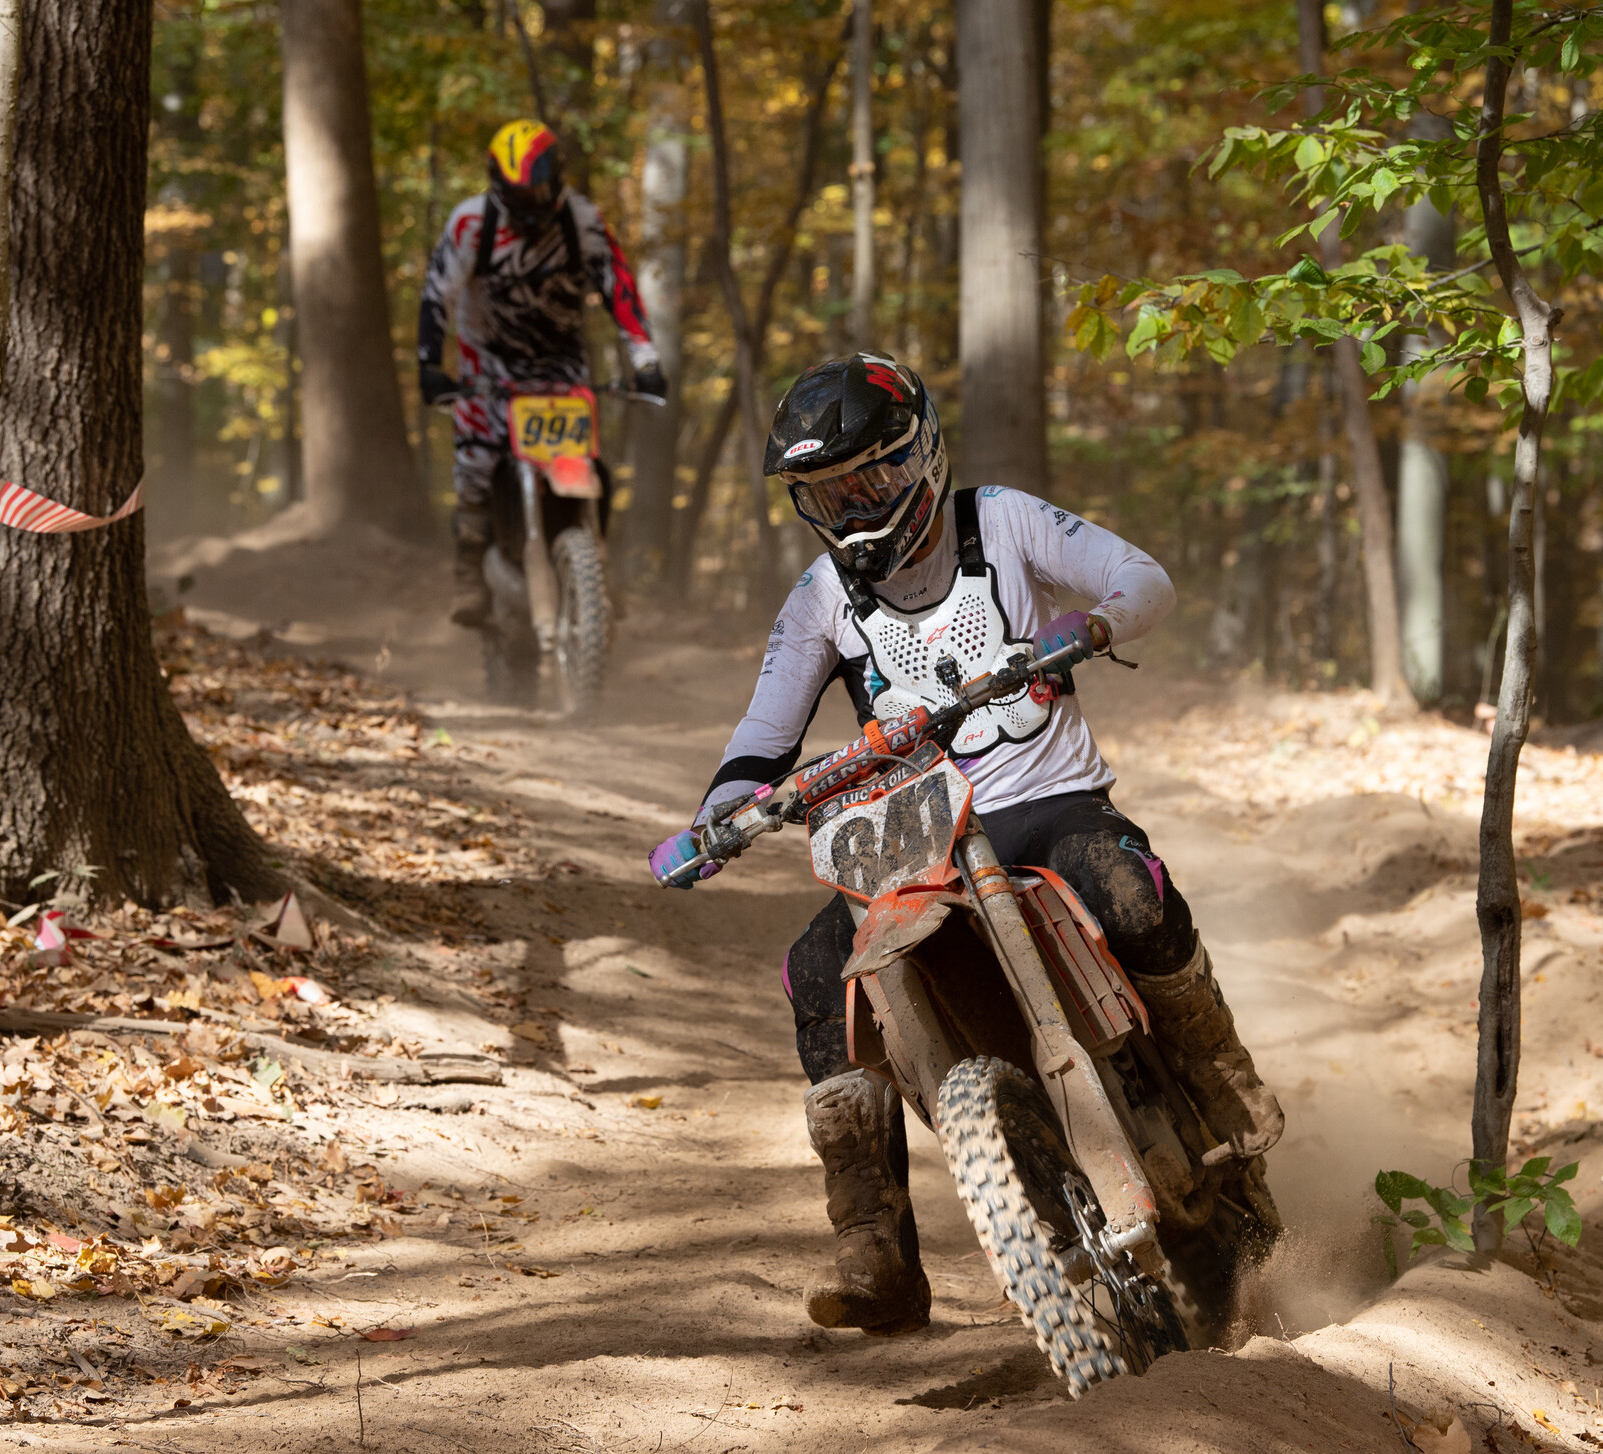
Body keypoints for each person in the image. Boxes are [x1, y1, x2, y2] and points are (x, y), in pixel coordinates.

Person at [645, 354, 1283, 1337]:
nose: (857, 505)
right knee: (819, 970)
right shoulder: (821, 597)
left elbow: (1139, 574)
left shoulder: (1004, 522)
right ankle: (877, 1251)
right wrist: (716, 821)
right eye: (828, 490)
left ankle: (1225, 1085)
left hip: (1047, 802)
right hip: (914, 838)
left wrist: (1094, 622)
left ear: (923, 454)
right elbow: (762, 738)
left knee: (1129, 893)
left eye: (873, 477)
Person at [418, 118, 667, 628]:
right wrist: (428, 365)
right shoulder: (471, 224)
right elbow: (437, 295)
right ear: (498, 185)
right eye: (519, 193)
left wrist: (645, 361)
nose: (532, 202)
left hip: (561, 372)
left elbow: (618, 287)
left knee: (592, 471)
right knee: (476, 470)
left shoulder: (581, 221)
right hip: (486, 370)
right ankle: (469, 573)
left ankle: (594, 570)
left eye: (539, 189)